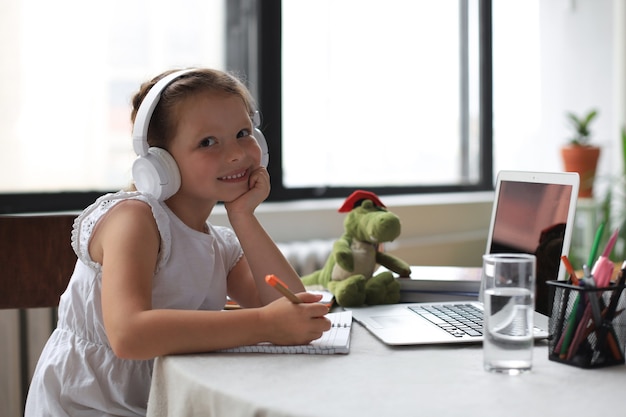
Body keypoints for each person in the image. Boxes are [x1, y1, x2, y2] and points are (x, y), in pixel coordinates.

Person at [25, 68, 331, 416]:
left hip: (159, 402)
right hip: (88, 406)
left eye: (243, 133)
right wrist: (263, 325)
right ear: (161, 163)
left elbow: (292, 308)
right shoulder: (134, 219)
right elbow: (129, 334)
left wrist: (243, 215)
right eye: (207, 142)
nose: (236, 154)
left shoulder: (220, 244)